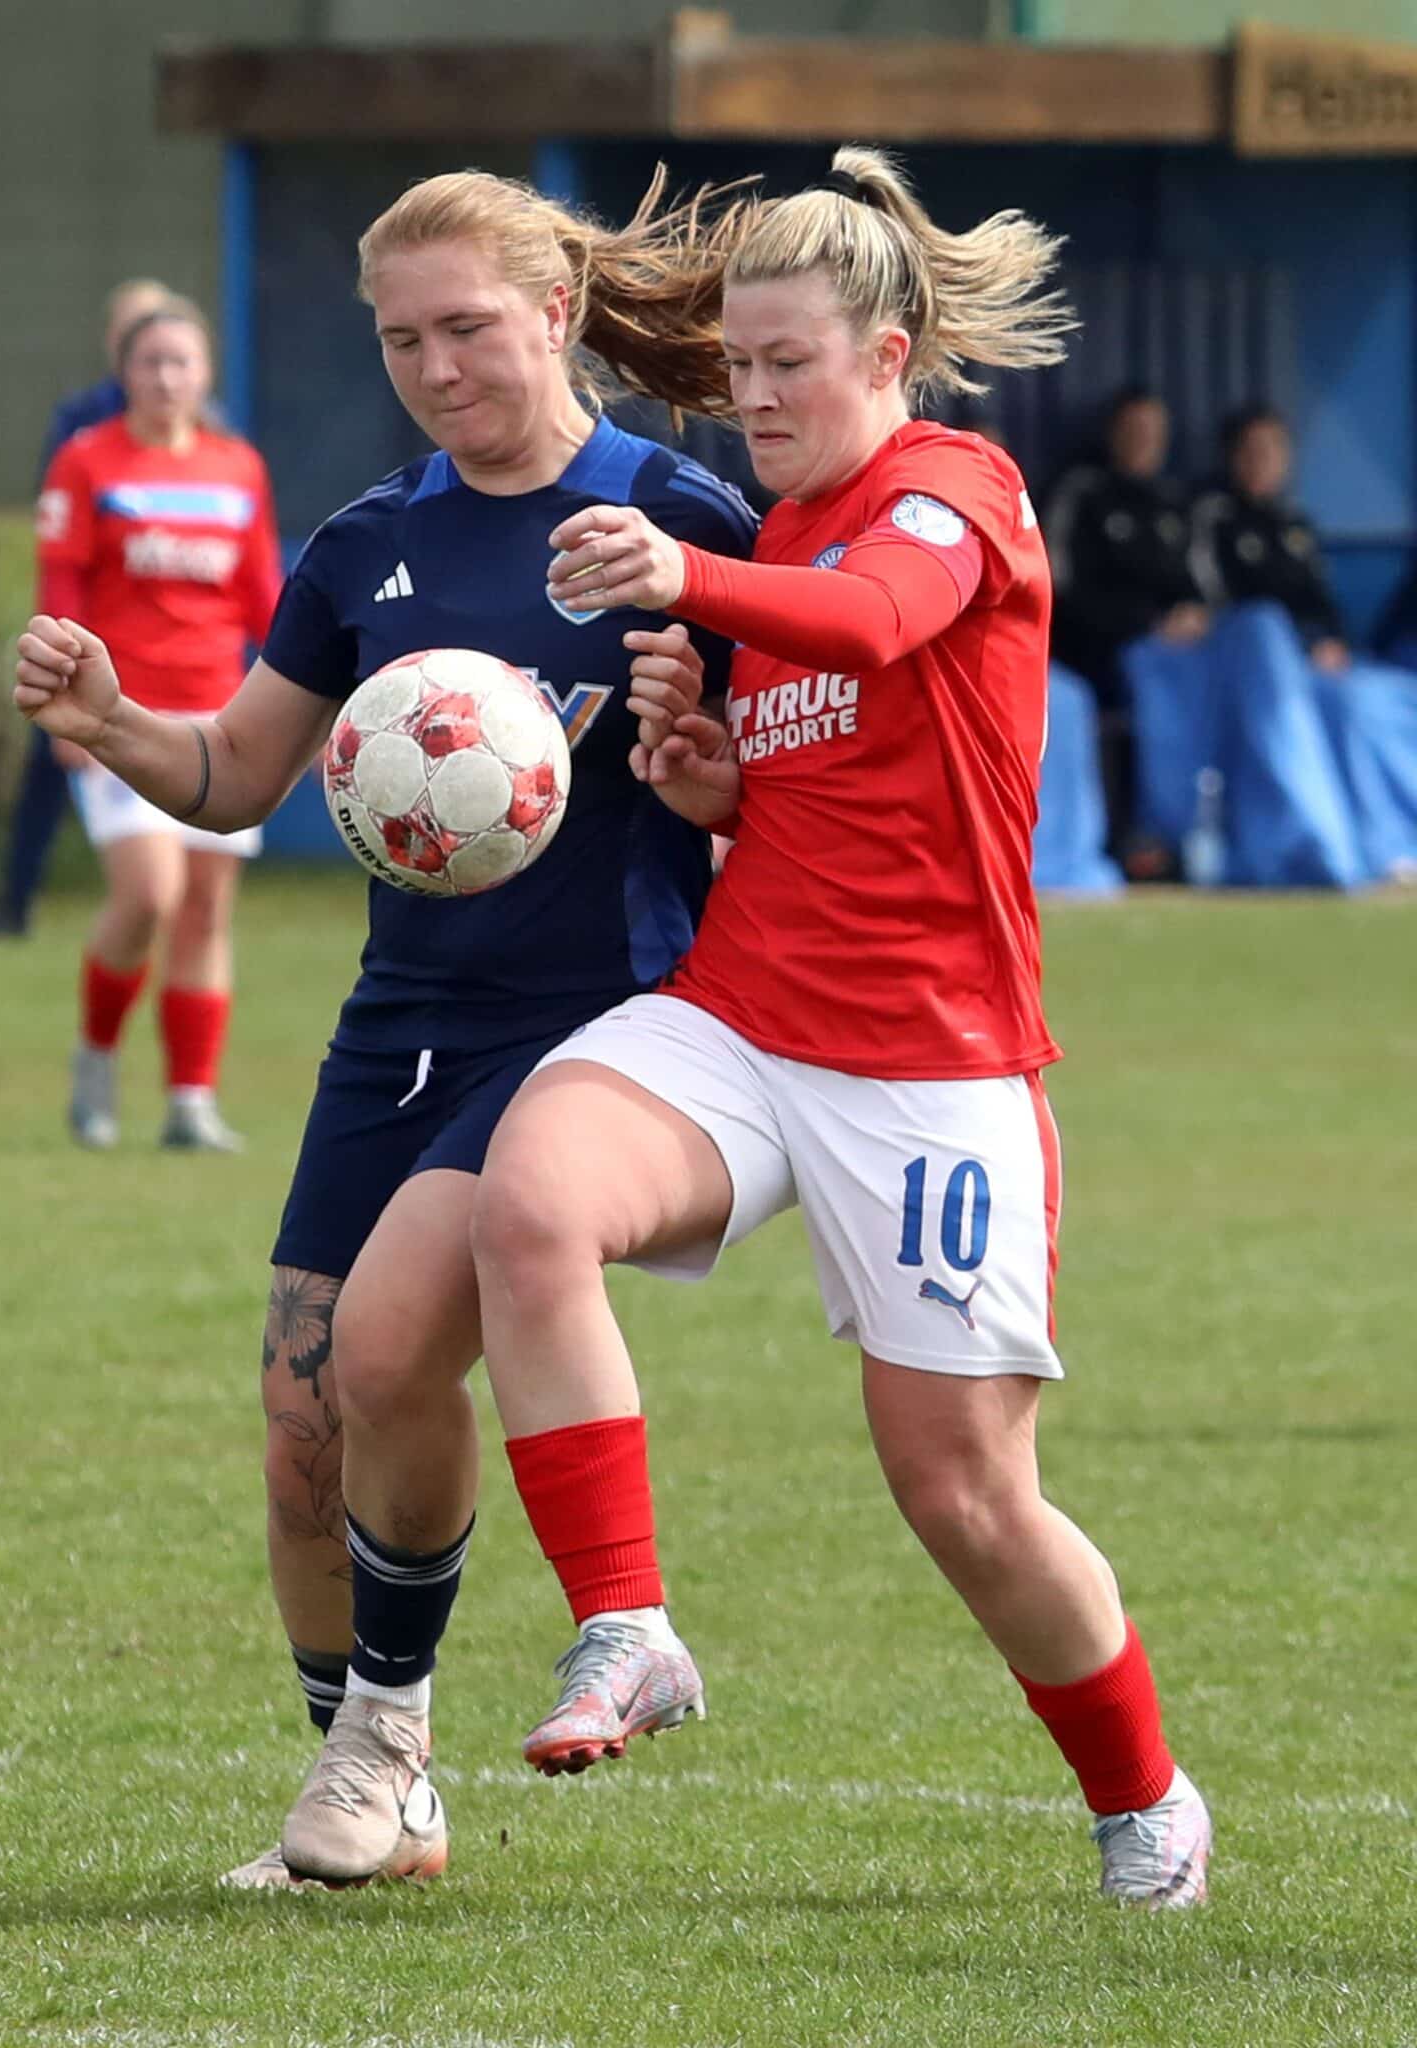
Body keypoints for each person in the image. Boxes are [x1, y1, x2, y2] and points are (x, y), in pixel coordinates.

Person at [461, 147, 1212, 1911]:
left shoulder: (962, 491)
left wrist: (687, 585)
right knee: (531, 1199)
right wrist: (715, 779)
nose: (756, 391)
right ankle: (627, 1622)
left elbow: (883, 621)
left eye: (790, 358)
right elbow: (815, 783)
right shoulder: (781, 532)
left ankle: (1143, 1796)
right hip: (741, 1016)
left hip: (935, 1066)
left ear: (886, 356)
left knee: (960, 1493)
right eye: (740, 361)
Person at [14, 165, 759, 1889]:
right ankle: (380, 1787)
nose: (434, 366)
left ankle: (386, 1737)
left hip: (595, 1030)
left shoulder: (677, 521)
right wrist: (120, 722)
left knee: (377, 1352)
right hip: (397, 1020)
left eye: (469, 328)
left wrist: (704, 786)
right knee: (297, 1420)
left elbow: (781, 797)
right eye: (401, 337)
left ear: (555, 312)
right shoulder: (369, 543)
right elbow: (239, 773)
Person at [35, 296, 282, 1151]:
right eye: (152, 362)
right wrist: (67, 713)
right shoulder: (86, 462)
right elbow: (61, 588)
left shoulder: (237, 466)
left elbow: (263, 599)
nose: (168, 376)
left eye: (183, 361)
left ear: (206, 372)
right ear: (125, 373)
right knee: (150, 893)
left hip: (221, 710)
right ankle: (96, 1059)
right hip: (120, 716)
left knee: (206, 909)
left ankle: (190, 1102)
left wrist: (308, 693)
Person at [0, 279, 175, 939]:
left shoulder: (216, 436)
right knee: (54, 754)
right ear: (117, 350)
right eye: (139, 340)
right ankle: (14, 897)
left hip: (184, 658)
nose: (163, 372)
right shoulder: (82, 426)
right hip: (93, 634)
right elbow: (59, 531)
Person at [1043, 388, 1213, 868]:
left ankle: (1200, 839)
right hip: (1097, 652)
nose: (1144, 442)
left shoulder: (1174, 503)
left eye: (1153, 433)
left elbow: (1201, 588)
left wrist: (1190, 615)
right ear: (1112, 433)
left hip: (1177, 653)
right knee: (1148, 672)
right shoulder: (1081, 492)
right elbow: (1059, 590)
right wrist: (1148, 625)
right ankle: (1152, 839)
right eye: (1134, 430)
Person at [1191, 405, 1349, 672]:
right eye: (1250, 449)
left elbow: (1320, 598)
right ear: (1231, 455)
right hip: (1246, 652)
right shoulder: (1212, 515)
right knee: (1263, 621)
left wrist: (1331, 641)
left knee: (1364, 695)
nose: (1261, 459)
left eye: (1272, 449)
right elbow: (1215, 598)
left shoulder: (1296, 524)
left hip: (1309, 653)